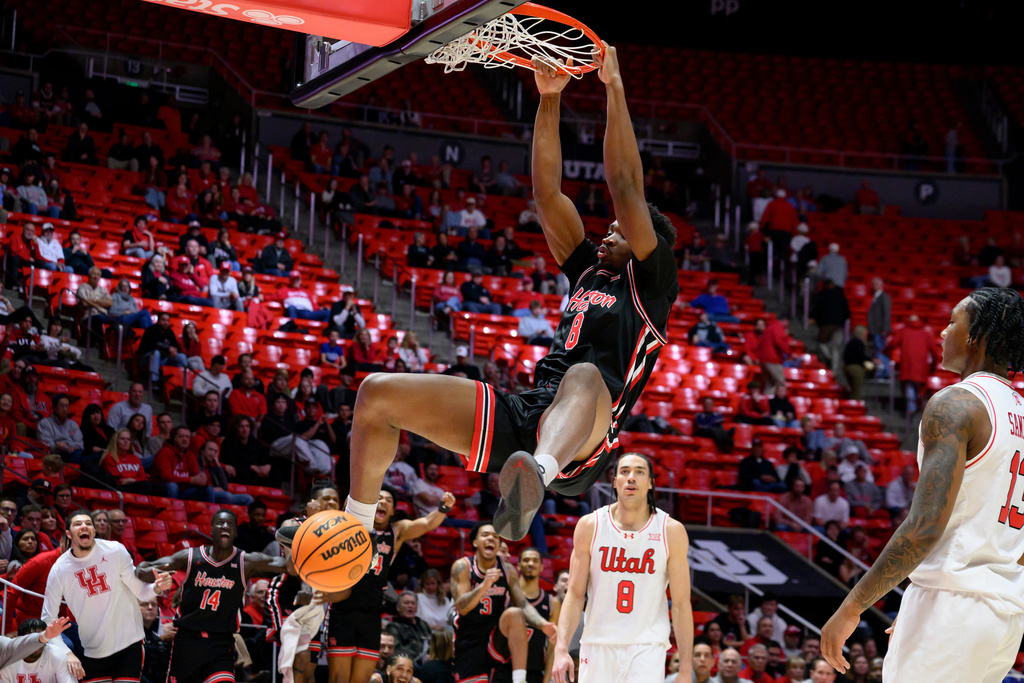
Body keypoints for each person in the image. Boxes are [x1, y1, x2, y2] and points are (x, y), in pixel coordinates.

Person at [343, 48, 679, 554]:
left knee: (583, 375)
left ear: (647, 240)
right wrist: (548, 99)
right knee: (375, 395)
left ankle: (536, 478)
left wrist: (614, 88)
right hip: (531, 413)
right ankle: (354, 532)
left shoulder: (652, 285)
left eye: (619, 230)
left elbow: (626, 186)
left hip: (582, 443)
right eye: (607, 229)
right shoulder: (588, 267)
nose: (607, 233)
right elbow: (547, 195)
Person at [821, 288, 1024, 681]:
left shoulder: (957, 404)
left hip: (951, 605)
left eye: (952, 321)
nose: (942, 332)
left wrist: (853, 606)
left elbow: (925, 525)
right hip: (1005, 614)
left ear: (975, 335)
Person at [552, 452, 693, 683]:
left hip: (647, 646)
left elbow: (680, 604)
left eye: (640, 472)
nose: (631, 477)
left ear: (650, 483)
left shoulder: (671, 531)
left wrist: (685, 669)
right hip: (598, 643)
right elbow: (575, 594)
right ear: (614, 480)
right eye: (624, 472)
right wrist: (561, 649)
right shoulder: (590, 526)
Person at [139, 510, 288, 683]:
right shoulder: (190, 557)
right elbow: (143, 570)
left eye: (230, 524)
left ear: (236, 532)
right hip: (188, 642)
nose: (225, 527)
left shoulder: (245, 562)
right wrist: (146, 572)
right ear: (211, 530)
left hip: (221, 644)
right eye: (220, 523)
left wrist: (293, 543)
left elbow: (287, 566)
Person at [326, 486, 455, 683]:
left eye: (388, 500)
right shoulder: (353, 525)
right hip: (343, 609)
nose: (383, 502)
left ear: (393, 510)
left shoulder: (397, 531)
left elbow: (428, 523)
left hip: (371, 612)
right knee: (338, 679)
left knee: (361, 679)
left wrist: (443, 508)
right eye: (378, 498)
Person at [42, 511, 173, 681]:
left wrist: (157, 587)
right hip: (93, 649)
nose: (84, 526)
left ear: (94, 531)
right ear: (68, 534)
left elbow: (139, 590)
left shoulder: (115, 551)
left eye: (88, 523)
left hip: (129, 643)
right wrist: (66, 653)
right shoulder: (59, 569)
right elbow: (47, 618)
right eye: (77, 524)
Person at [450, 522, 555, 683]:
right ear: (475, 542)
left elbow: (523, 604)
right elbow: (461, 607)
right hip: (469, 638)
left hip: (496, 636)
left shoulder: (507, 570)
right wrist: (484, 585)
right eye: (485, 535)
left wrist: (542, 624)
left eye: (496, 536)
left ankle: (520, 679)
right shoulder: (463, 566)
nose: (491, 538)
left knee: (515, 613)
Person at [492, 547, 560, 683]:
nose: (530, 564)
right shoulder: (506, 595)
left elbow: (553, 647)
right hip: (502, 669)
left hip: (534, 672)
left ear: (541, 567)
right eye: (526, 560)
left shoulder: (552, 602)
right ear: (518, 566)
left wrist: (546, 680)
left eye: (535, 561)